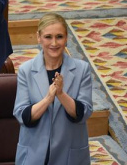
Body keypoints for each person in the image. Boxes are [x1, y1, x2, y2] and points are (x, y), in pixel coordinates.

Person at [13, 13, 93, 164]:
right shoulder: (26, 70)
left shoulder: (82, 69)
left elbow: (84, 112)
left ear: (67, 38)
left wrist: (61, 94)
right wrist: (48, 99)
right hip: (34, 154)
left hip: (70, 155)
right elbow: (22, 115)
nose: (54, 43)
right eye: (48, 37)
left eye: (59, 36)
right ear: (39, 37)